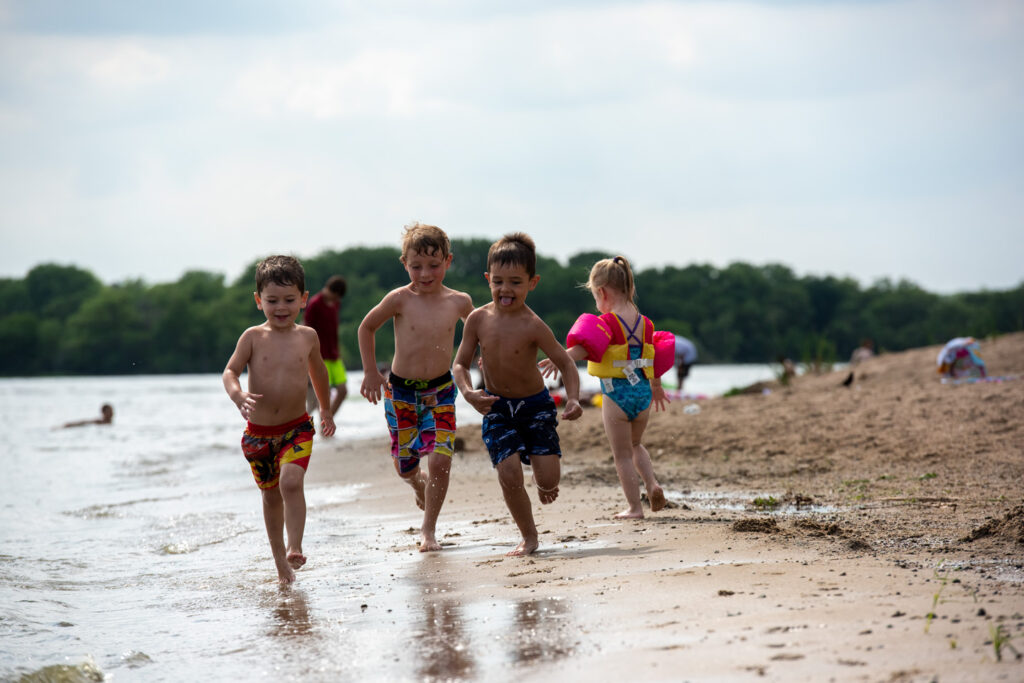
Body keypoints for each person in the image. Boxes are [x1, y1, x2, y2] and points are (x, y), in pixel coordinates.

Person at [453, 233, 583, 556]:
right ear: (487, 279)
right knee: (509, 472)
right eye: (498, 281)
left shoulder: (533, 325)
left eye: (515, 282)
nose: (505, 290)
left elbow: (566, 363)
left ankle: (546, 483)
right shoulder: (477, 319)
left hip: (535, 407)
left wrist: (573, 399)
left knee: (549, 481)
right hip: (495, 406)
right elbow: (459, 364)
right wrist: (469, 393)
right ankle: (529, 536)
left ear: (532, 283)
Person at [358, 223, 474, 552]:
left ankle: (429, 530)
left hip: (440, 391)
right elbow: (366, 327)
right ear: (404, 263)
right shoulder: (398, 299)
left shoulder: (459, 301)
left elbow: (481, 330)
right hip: (401, 393)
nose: (425, 273)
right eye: (416, 266)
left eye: (434, 265)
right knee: (405, 466)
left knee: (440, 460)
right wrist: (370, 371)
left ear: (448, 261)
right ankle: (415, 483)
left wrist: (479, 360)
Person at [222, 255, 336, 584]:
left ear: (303, 298)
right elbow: (230, 371)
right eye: (272, 301)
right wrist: (237, 394)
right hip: (258, 436)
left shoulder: (307, 337)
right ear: (259, 301)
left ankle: (295, 546)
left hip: (296, 429)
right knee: (271, 496)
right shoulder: (253, 337)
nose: (281, 307)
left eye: (289, 300)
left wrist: (325, 409)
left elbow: (319, 372)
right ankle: (279, 563)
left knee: (290, 483)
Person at [543, 256, 668, 519]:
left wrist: (559, 357)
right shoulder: (646, 323)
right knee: (636, 444)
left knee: (621, 455)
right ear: (629, 288)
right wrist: (656, 386)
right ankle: (652, 483)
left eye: (595, 297)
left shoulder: (609, 323)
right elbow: (653, 355)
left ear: (602, 292)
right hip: (643, 394)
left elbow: (584, 349)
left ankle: (635, 508)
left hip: (616, 395)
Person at [303, 275, 348, 422]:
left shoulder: (336, 304)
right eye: (335, 296)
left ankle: (327, 421)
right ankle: (324, 426)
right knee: (324, 394)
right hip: (319, 355)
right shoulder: (315, 303)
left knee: (342, 390)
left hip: (334, 355)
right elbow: (306, 328)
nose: (336, 300)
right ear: (330, 290)